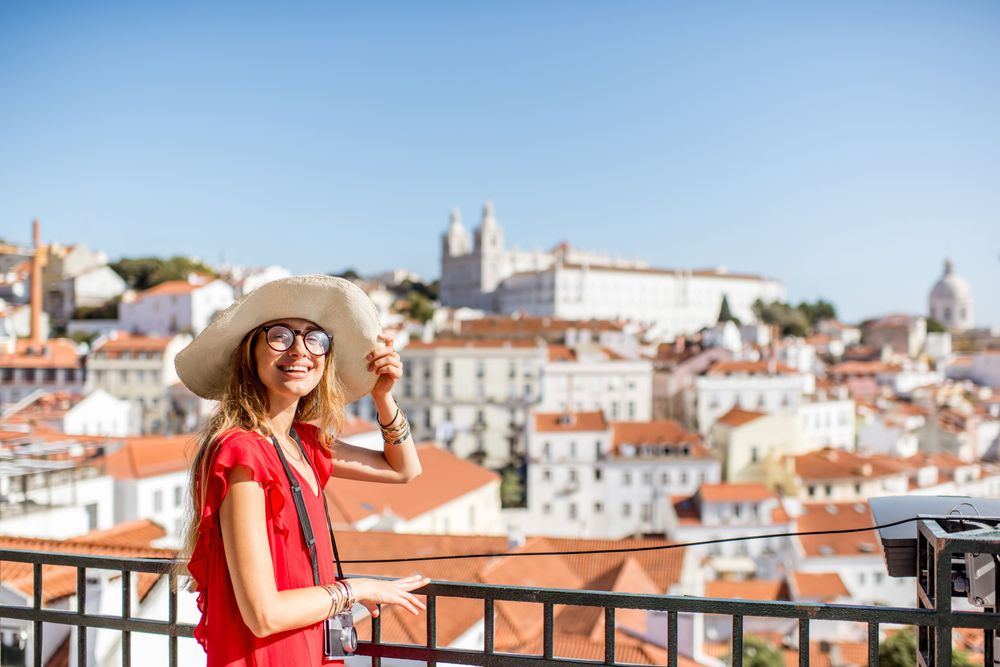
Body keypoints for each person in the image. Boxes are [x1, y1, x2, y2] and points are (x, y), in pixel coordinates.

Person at [175, 275, 428, 666]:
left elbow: (404, 470)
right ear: (250, 353)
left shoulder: (303, 443)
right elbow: (264, 615)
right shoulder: (241, 452)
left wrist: (383, 396)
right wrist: (357, 589)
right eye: (280, 336)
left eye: (315, 339)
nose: (299, 350)